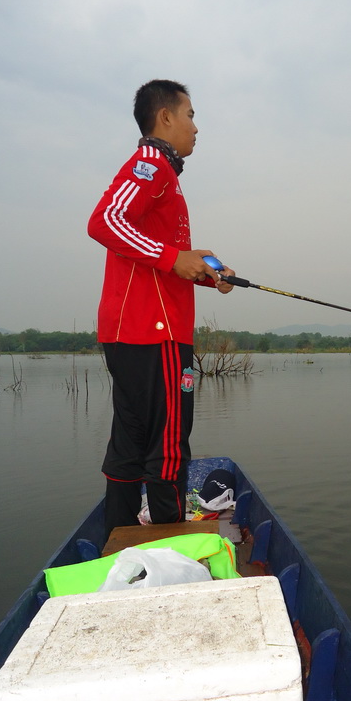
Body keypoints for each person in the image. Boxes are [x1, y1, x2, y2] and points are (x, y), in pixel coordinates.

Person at [88, 79, 234, 536]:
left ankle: (121, 538)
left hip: (129, 332)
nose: (196, 126)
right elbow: (105, 221)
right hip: (157, 334)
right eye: (190, 115)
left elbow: (155, 255)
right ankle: (171, 545)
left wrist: (201, 269)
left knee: (131, 444)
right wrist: (176, 257)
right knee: (169, 447)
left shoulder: (161, 174)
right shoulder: (152, 165)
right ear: (165, 117)